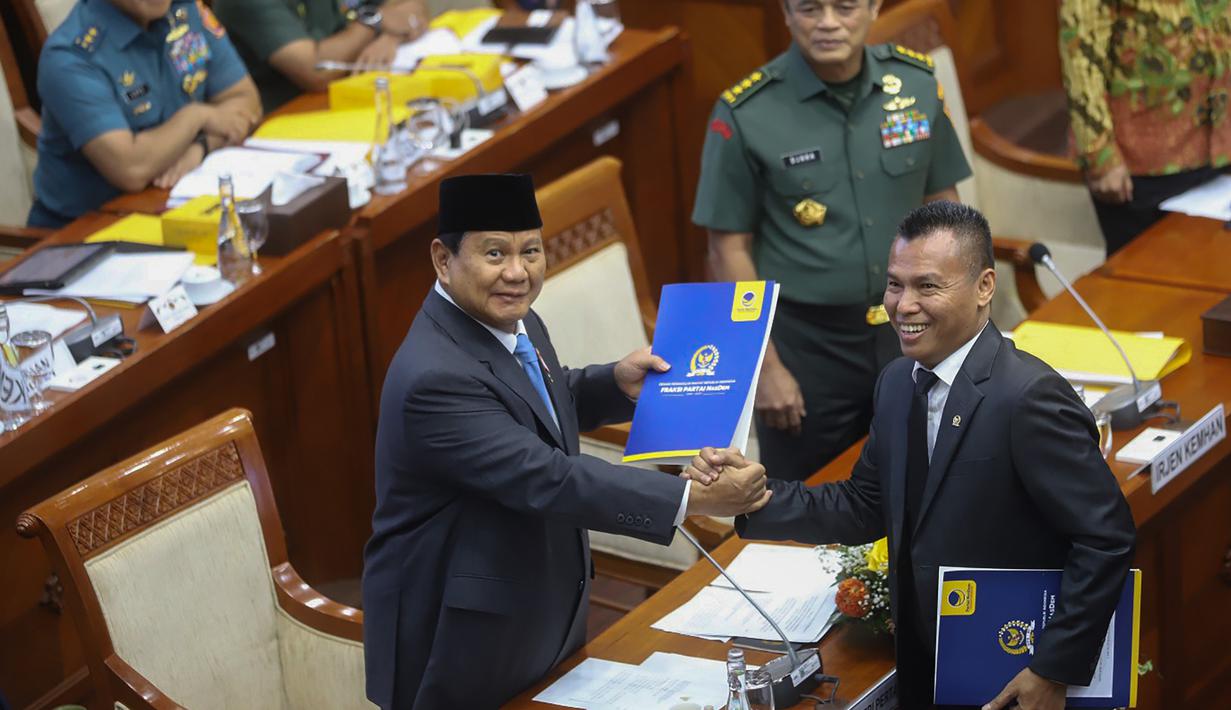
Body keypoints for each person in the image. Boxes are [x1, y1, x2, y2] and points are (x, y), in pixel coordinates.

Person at [687, 201, 1137, 709]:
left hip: (1016, 664)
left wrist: (1053, 668)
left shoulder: (1028, 397)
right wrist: (753, 497)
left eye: (928, 286)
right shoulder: (899, 382)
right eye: (895, 284)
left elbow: (1106, 537)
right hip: (927, 662)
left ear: (985, 287)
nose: (903, 305)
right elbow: (864, 505)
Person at [361, 173, 773, 709]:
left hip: (533, 604)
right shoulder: (432, 378)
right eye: (494, 254)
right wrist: (690, 500)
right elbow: (543, 474)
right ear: (443, 259)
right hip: (460, 636)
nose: (518, 272)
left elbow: (531, 402)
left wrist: (613, 382)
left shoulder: (515, 318)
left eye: (531, 251)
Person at [692, 0, 972, 483]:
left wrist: (965, 322)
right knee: (809, 501)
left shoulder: (914, 83)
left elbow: (948, 209)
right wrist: (764, 366)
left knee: (932, 482)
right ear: (785, 13)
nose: (827, 23)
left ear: (872, 7)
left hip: (912, 323)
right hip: (807, 348)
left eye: (844, 7)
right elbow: (727, 251)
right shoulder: (747, 111)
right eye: (808, 9)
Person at [27, 0, 261, 228]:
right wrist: (196, 116)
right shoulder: (72, 56)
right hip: (88, 232)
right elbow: (130, 169)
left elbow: (246, 103)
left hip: (179, 204)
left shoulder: (185, 9)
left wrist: (201, 147)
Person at [1060, 0, 1231, 256]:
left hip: (1221, 142)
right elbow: (1081, 55)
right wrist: (1099, 155)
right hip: (1142, 163)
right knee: (1148, 282)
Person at [211, 0, 429, 112]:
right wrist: (376, 21)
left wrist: (391, 36)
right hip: (298, 119)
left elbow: (413, 8)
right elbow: (316, 70)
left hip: (363, 91)